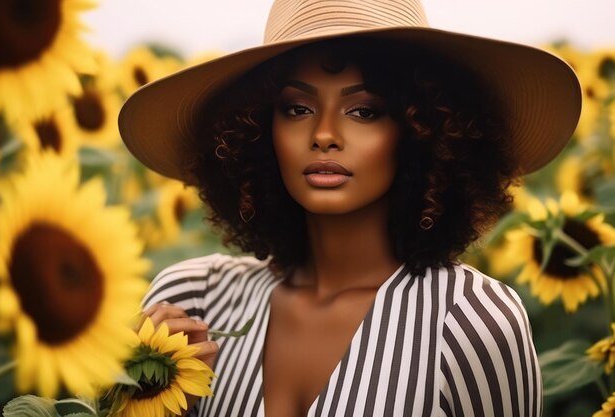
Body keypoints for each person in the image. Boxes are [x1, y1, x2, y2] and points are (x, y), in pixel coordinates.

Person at [119, 1, 581, 416]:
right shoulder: (192, 301)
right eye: (297, 108)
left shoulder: (472, 321)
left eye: (364, 111)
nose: (323, 133)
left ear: (422, 130)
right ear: (259, 130)